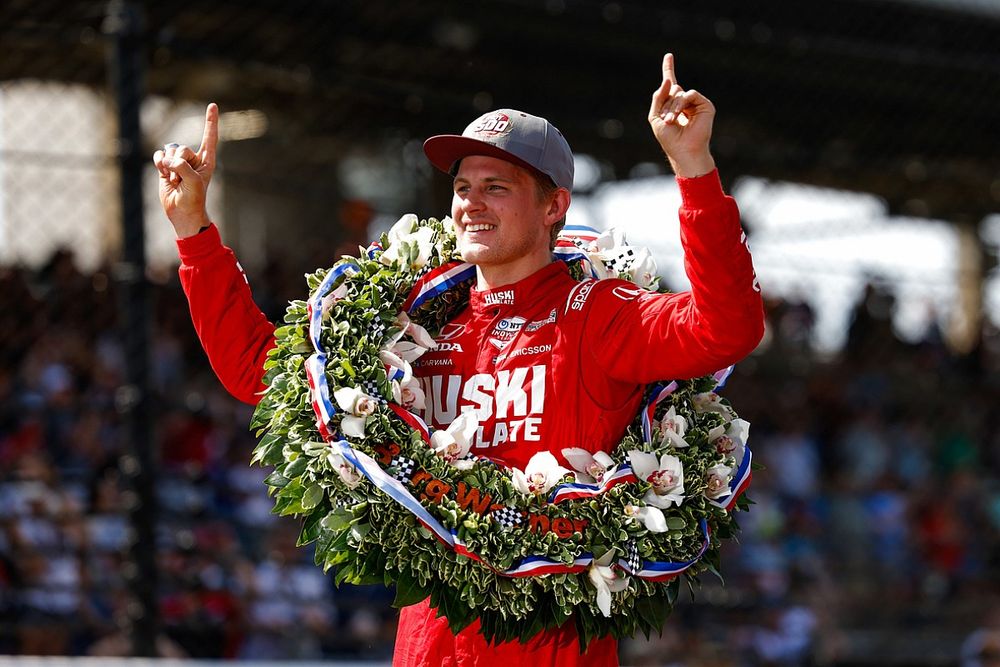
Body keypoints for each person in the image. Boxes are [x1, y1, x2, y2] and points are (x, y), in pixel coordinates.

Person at [154, 53, 765, 667]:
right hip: (425, 648)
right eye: (463, 187)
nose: (472, 203)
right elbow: (258, 375)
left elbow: (726, 329)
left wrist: (693, 168)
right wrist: (194, 233)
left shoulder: (599, 313)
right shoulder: (412, 322)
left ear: (554, 206)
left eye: (496, 187)